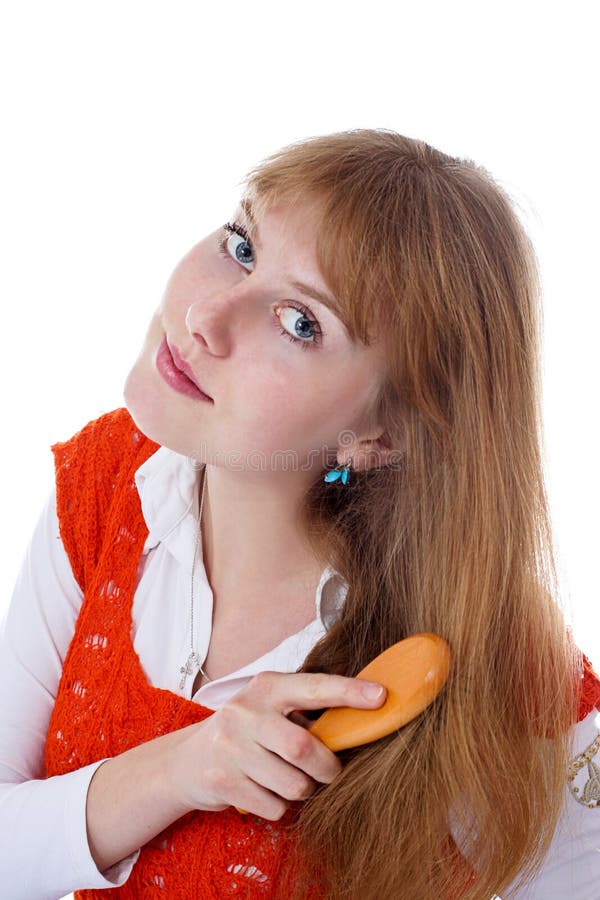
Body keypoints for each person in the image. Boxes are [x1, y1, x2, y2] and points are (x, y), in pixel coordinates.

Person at [1, 129, 599, 900]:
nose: (206, 316)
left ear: (383, 435)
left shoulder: (495, 652)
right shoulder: (111, 484)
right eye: (242, 246)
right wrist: (185, 767)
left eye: (301, 323)